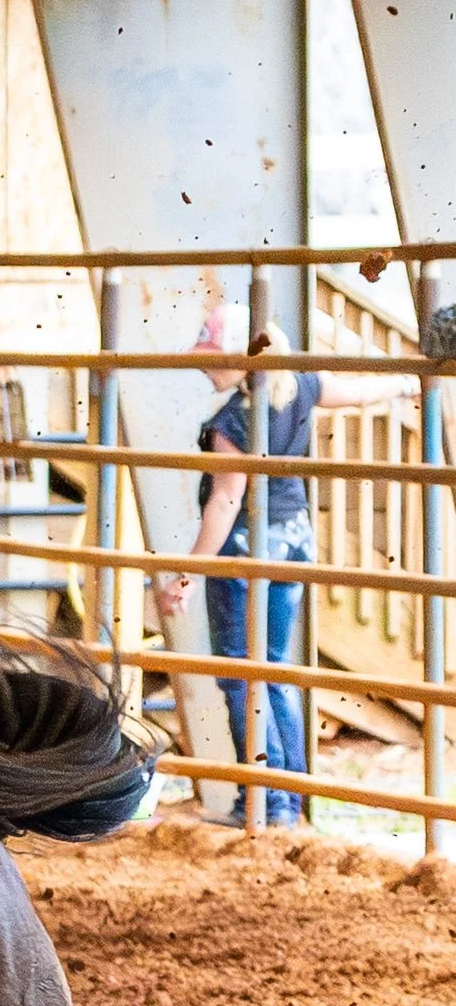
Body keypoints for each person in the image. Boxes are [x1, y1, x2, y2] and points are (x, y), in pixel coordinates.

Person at [155, 303, 396, 826]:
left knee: (242, 673)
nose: (204, 366)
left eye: (212, 356)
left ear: (245, 357)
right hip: (293, 544)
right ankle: (291, 797)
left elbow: (224, 502)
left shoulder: (232, 422)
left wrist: (186, 572)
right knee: (275, 670)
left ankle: (264, 800)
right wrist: (404, 380)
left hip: (244, 552)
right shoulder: (300, 388)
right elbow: (356, 391)